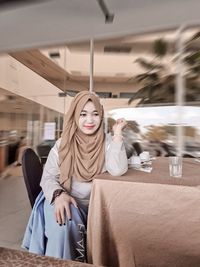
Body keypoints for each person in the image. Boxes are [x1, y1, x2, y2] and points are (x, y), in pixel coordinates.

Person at [22, 91, 128, 261]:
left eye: (95, 114)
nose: (89, 120)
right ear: (74, 115)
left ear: (101, 116)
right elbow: (48, 177)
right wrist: (59, 194)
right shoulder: (62, 144)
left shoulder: (108, 142)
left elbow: (117, 170)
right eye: (83, 114)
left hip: (96, 207)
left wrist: (117, 134)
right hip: (62, 197)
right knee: (63, 223)